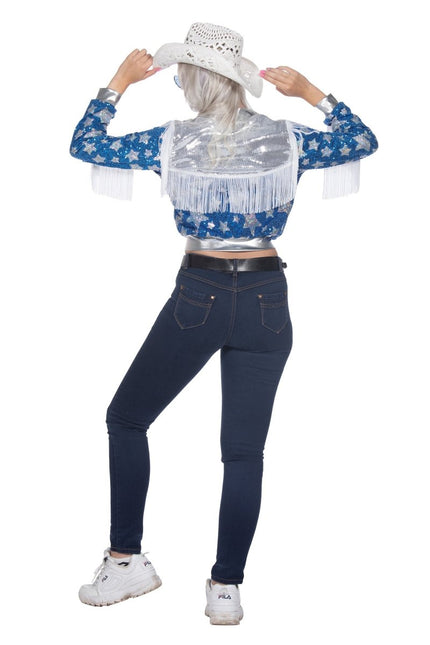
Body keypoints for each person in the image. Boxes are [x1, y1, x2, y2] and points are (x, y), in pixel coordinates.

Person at [70, 22, 378, 625]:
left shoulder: (171, 141)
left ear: (191, 78)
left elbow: (87, 145)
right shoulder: (288, 139)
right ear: (237, 80)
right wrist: (312, 93)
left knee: (127, 418)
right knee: (243, 454)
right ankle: (226, 588)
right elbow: (361, 140)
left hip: (201, 293)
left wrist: (117, 84)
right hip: (267, 297)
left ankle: (126, 559)